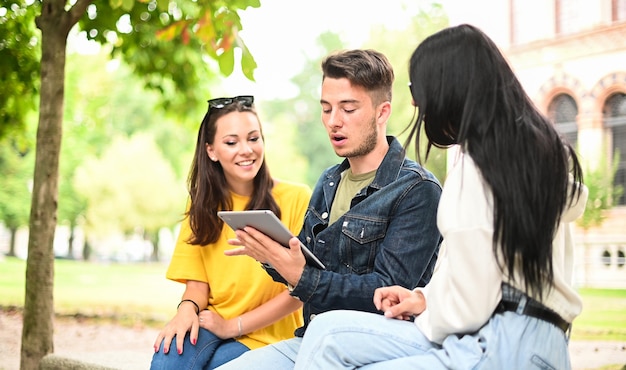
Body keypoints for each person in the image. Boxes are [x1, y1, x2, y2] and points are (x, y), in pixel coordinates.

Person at [289, 24, 589, 370]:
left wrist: (421, 317)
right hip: (544, 344)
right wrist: (421, 298)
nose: (416, 101)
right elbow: (484, 272)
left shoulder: (478, 166)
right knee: (328, 333)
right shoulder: (535, 154)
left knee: (329, 338)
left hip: (498, 342)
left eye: (418, 87)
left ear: (450, 88)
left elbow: (469, 305)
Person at [216, 49, 443, 370]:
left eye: (348, 108)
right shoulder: (329, 180)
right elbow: (306, 262)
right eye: (326, 109)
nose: (333, 121)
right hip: (311, 335)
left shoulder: (417, 189)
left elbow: (385, 293)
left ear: (382, 112)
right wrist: (270, 255)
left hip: (377, 341)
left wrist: (302, 276)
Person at [150, 95, 311, 370]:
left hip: (269, 334)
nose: (246, 150)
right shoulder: (201, 204)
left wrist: (232, 326)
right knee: (167, 360)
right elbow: (198, 284)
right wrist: (186, 309)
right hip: (211, 322)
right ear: (211, 150)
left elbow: (301, 291)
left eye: (254, 138)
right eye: (231, 142)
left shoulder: (297, 198)